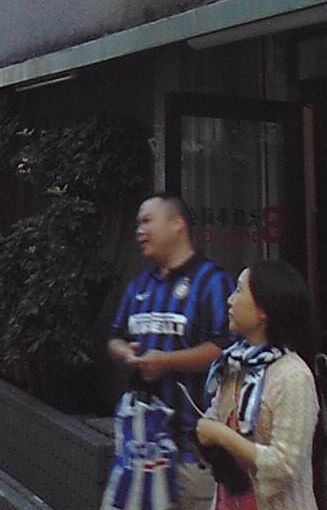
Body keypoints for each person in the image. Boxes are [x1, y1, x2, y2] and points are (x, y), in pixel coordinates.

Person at [107, 193, 233, 509]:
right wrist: (126, 353)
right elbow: (115, 338)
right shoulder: (139, 285)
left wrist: (166, 361)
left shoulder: (213, 281)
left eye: (147, 221)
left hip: (193, 453)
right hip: (140, 451)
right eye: (138, 224)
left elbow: (225, 349)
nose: (139, 231)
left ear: (177, 224)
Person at [196, 260, 319, 510]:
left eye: (239, 290)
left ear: (264, 309)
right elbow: (215, 418)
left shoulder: (293, 376)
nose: (230, 300)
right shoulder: (232, 363)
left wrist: (220, 435)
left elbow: (284, 465)